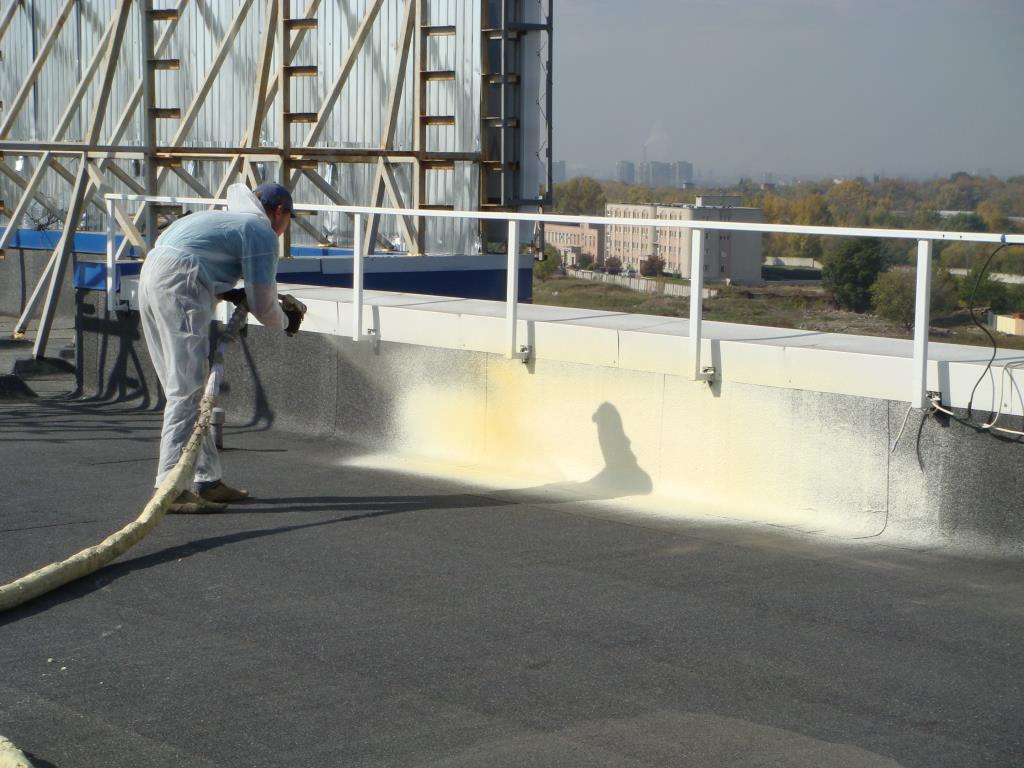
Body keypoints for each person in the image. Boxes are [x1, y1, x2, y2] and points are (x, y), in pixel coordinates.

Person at [138, 182, 304, 513]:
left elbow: (195, 258)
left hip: (152, 277)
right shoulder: (260, 231)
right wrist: (288, 321)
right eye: (289, 219)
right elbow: (264, 307)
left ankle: (207, 479)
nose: (286, 227)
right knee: (187, 391)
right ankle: (170, 488)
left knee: (185, 388)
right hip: (180, 283)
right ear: (279, 212)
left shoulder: (220, 219)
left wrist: (230, 293)